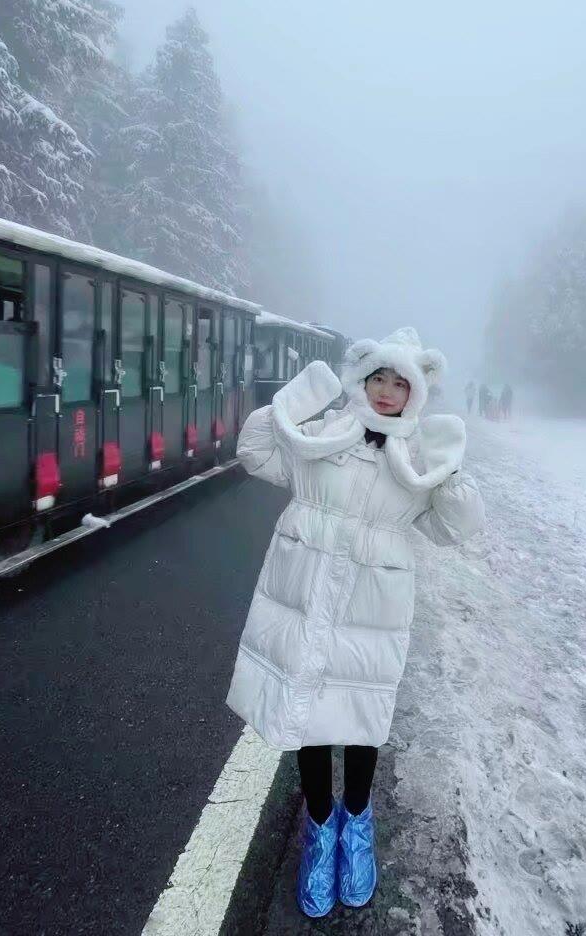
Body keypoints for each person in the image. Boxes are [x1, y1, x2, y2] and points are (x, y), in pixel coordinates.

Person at [229, 327, 484, 918]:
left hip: (372, 610)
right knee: (311, 720)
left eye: (401, 383)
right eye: (379, 379)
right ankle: (320, 831)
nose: (389, 391)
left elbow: (456, 531)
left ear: (416, 393)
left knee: (362, 718)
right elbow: (258, 455)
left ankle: (357, 826)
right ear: (361, 381)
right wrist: (289, 407)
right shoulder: (324, 435)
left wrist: (449, 474)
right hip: (308, 596)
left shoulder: (416, 456)